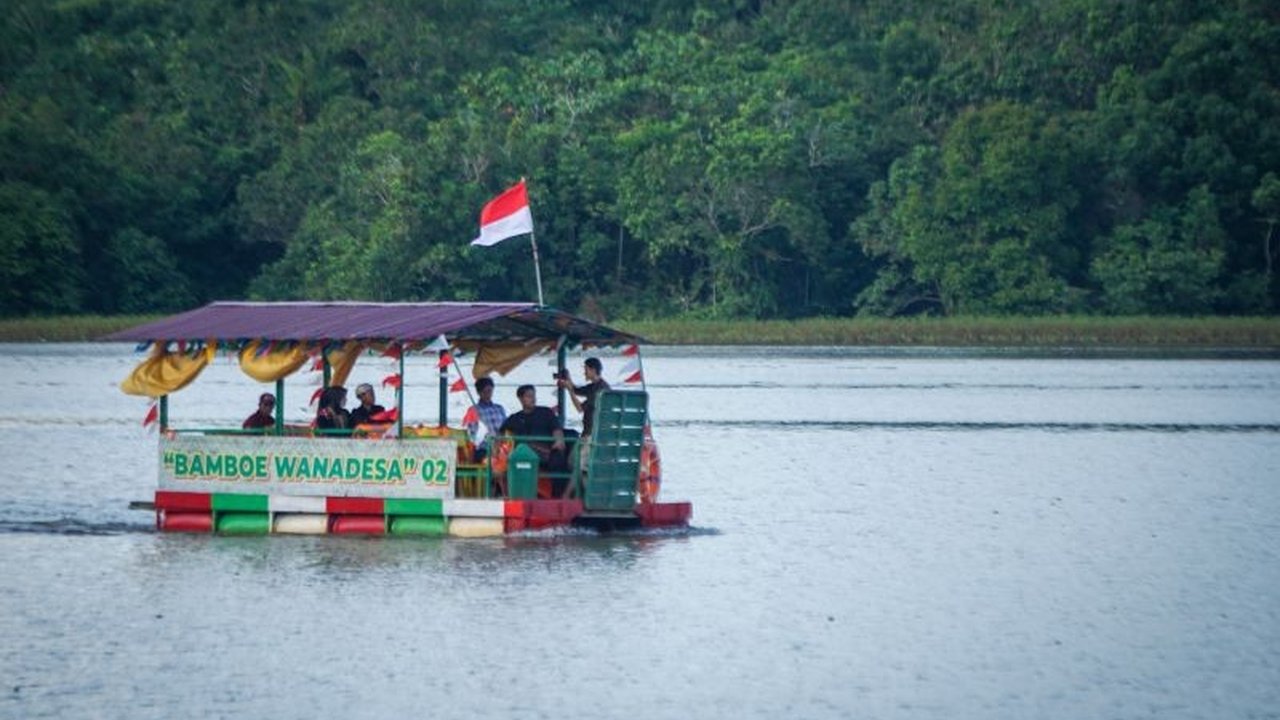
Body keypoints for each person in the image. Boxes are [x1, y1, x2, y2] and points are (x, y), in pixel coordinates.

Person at [498, 384, 569, 495]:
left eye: (534, 396)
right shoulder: (514, 418)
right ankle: (510, 494)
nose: (533, 399)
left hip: (546, 452)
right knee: (504, 467)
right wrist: (498, 449)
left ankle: (557, 496)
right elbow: (499, 435)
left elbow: (557, 430)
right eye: (529, 396)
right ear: (521, 399)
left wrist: (559, 440)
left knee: (559, 462)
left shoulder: (546, 413)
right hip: (523, 455)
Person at [559, 357, 610, 482]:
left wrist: (569, 390)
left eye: (586, 369)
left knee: (579, 465)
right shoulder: (595, 386)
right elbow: (577, 390)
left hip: (593, 435)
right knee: (571, 461)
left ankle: (582, 494)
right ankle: (573, 492)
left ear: (593, 370)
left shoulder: (600, 389)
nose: (584, 373)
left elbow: (580, 408)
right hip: (587, 433)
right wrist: (568, 380)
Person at [466, 376, 507, 461]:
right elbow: (473, 435)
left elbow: (506, 428)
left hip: (502, 447)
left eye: (490, 391)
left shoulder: (499, 408)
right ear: (479, 392)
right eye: (484, 391)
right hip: (484, 449)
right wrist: (492, 444)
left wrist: (501, 443)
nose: (488, 394)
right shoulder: (473, 410)